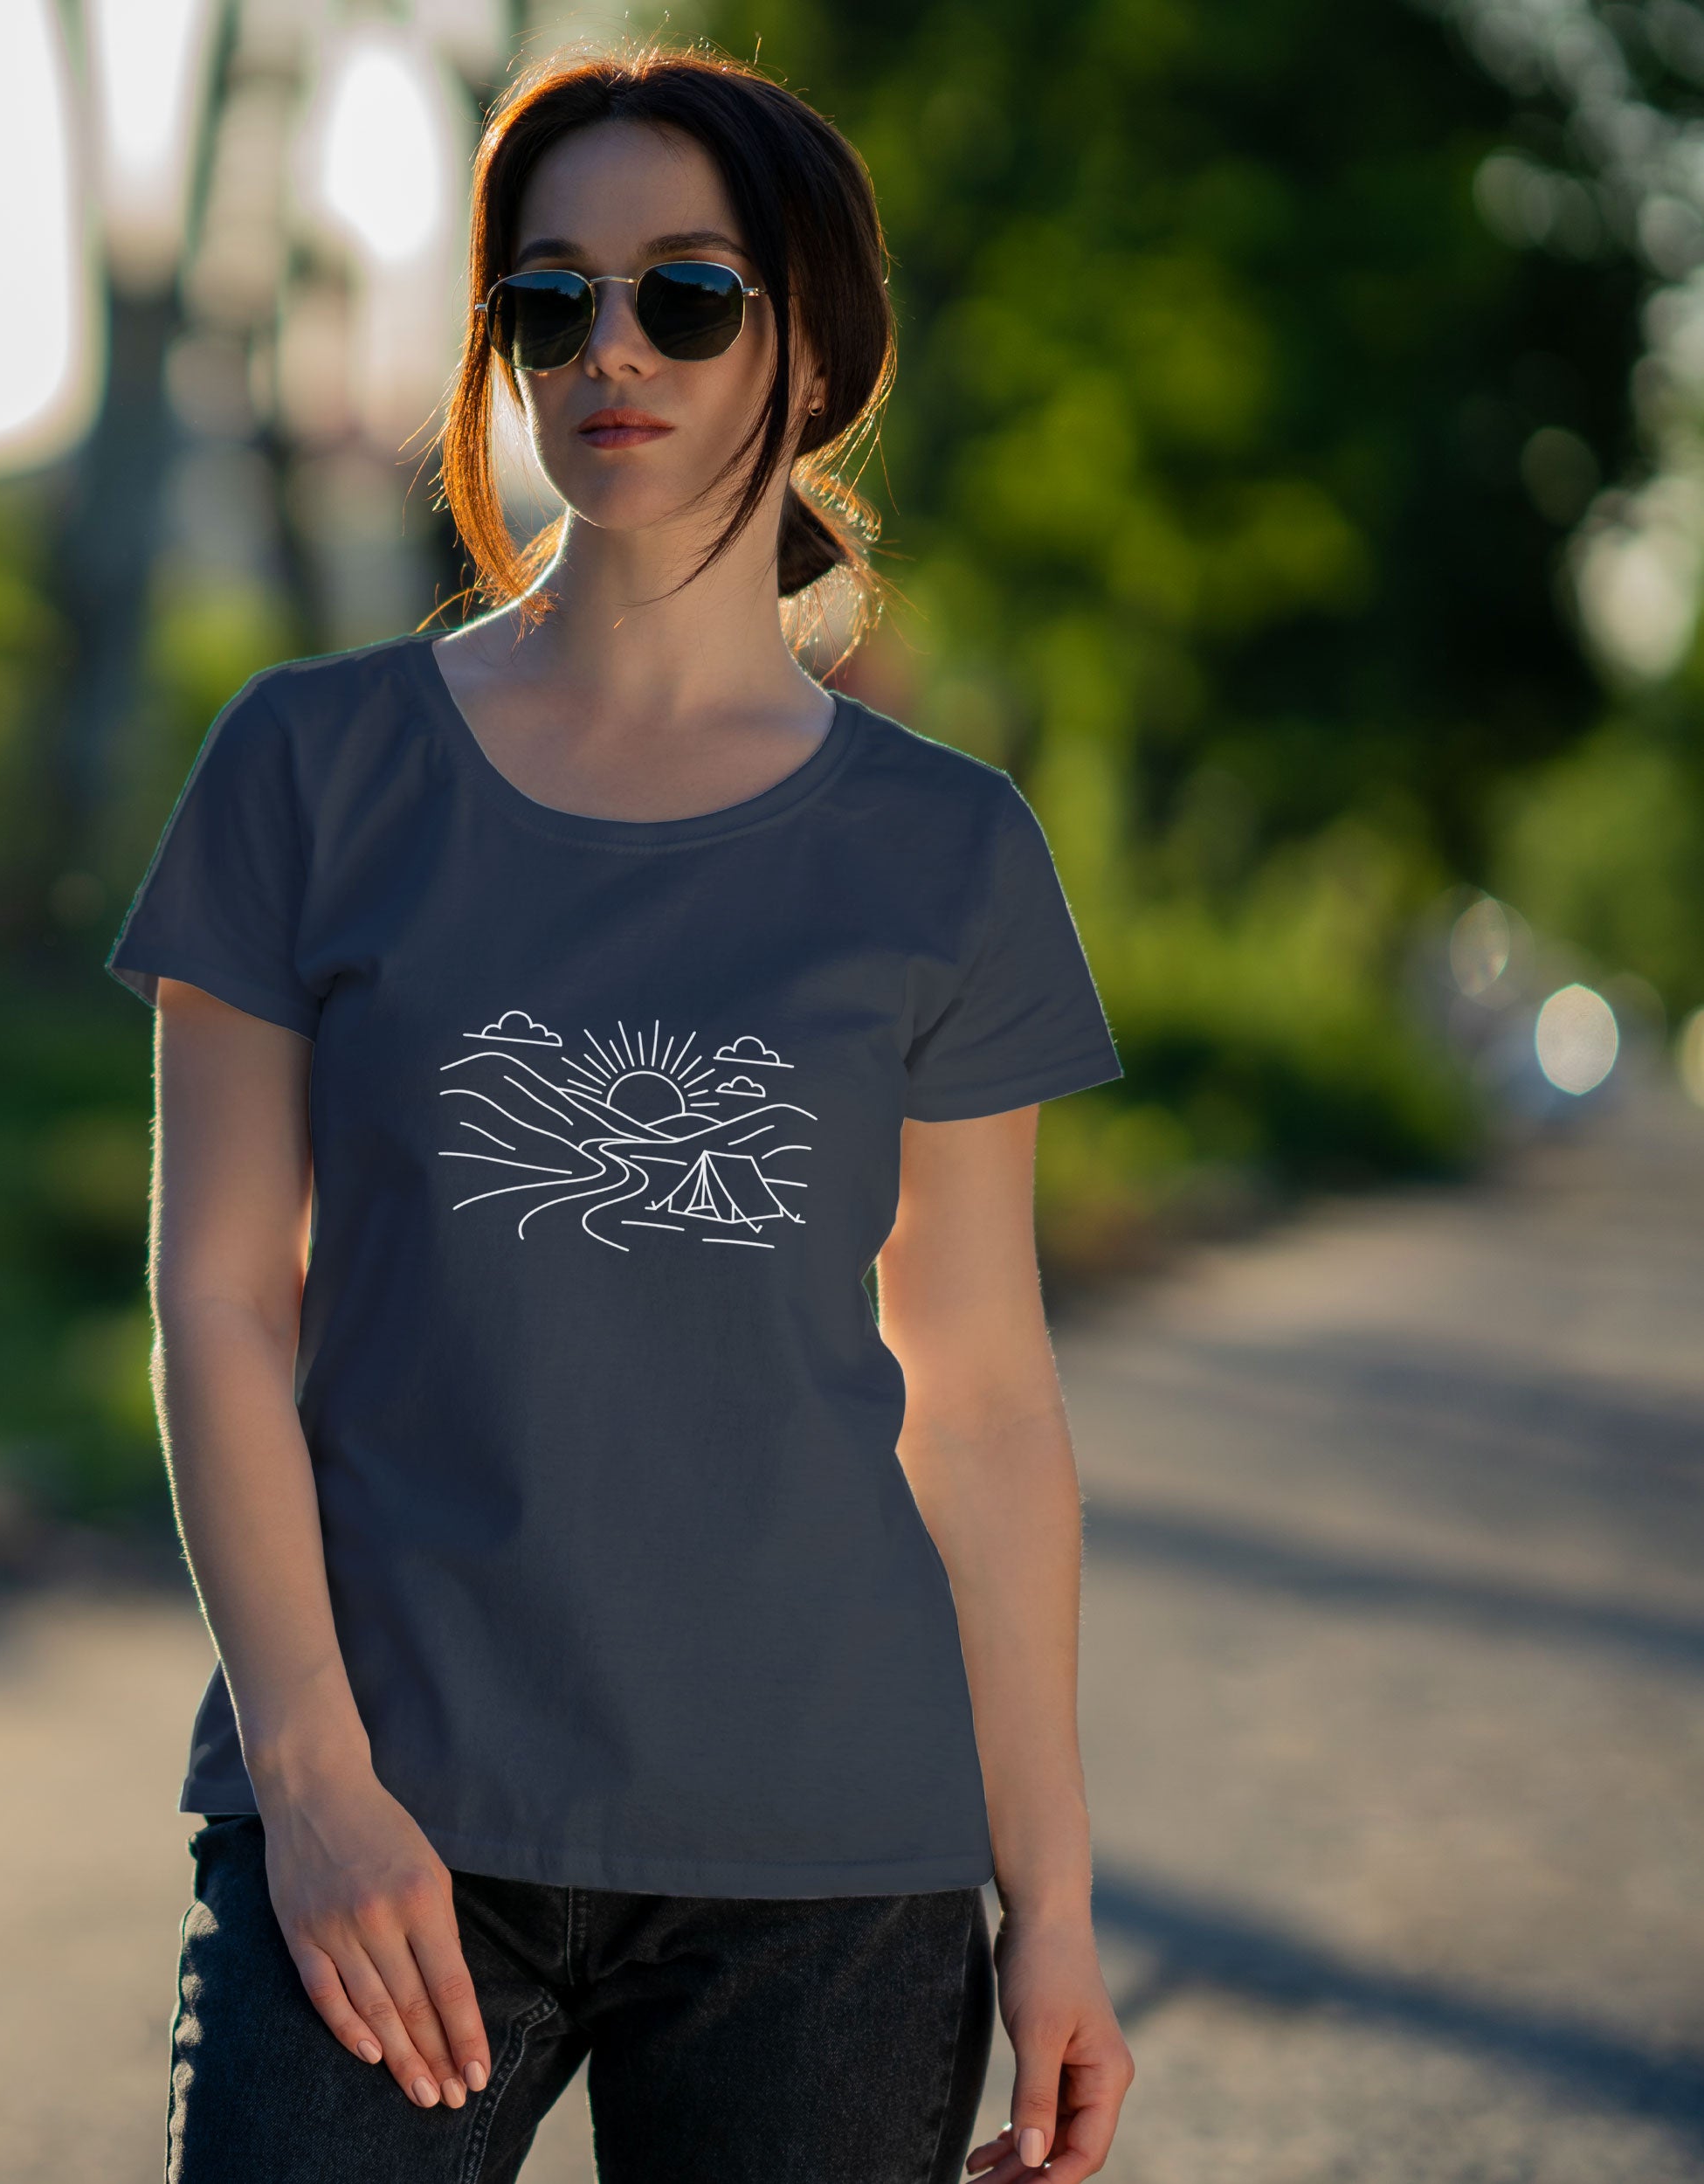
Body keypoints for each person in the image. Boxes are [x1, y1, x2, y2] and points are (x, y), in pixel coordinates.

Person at [105, 37, 1136, 2184]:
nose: (610, 351)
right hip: (388, 1817)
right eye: (547, 300)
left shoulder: (946, 853)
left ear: (811, 342)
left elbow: (986, 1402)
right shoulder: (309, 767)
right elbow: (219, 1301)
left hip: (827, 1861)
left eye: (684, 293)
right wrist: (307, 1776)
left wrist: (1052, 1904)